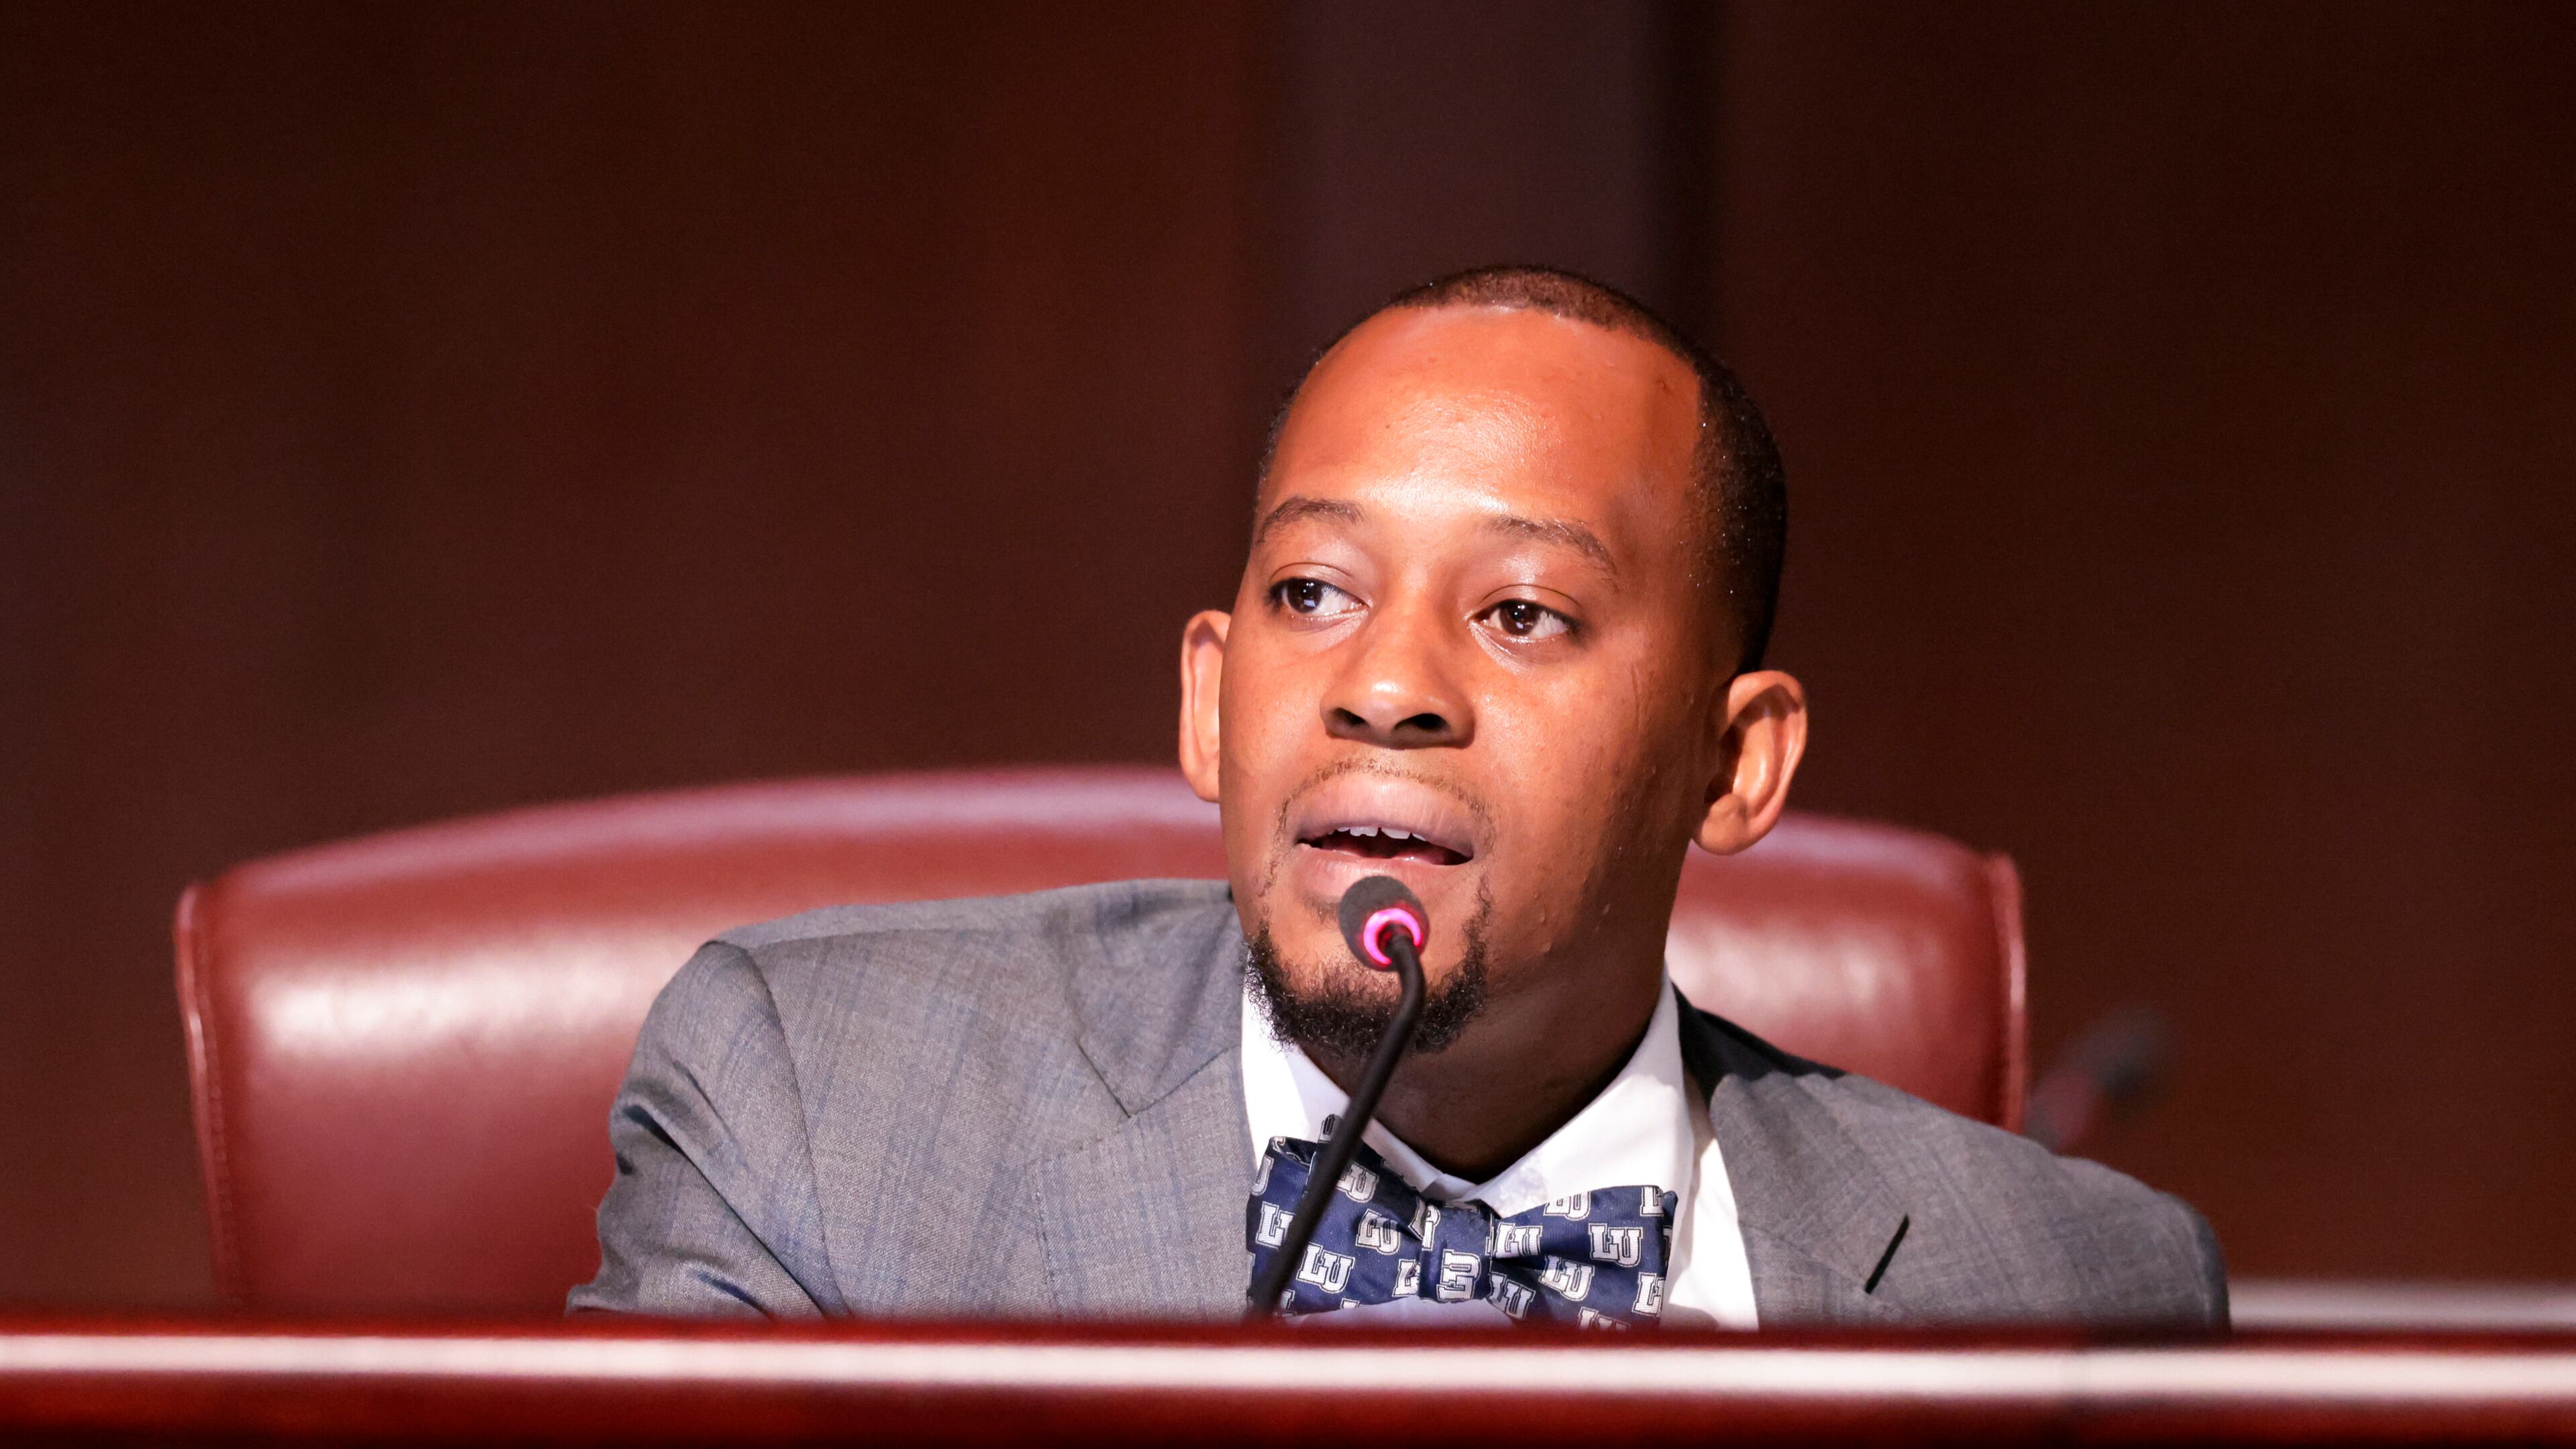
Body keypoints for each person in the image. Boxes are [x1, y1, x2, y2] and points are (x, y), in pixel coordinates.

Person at [570, 266, 2224, 1328]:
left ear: (1735, 767)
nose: (1386, 686)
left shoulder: (2074, 1291)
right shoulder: (825, 1112)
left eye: (1520, 612)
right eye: (1314, 593)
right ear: (1212, 702)